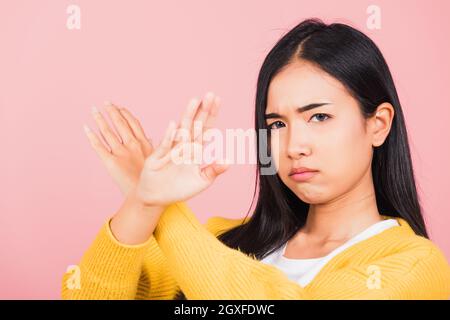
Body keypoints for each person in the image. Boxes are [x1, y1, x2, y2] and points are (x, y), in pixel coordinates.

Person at [62, 18, 450, 300]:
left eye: (319, 117)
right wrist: (142, 201)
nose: (294, 145)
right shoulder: (220, 240)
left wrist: (163, 207)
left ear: (378, 125)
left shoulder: (414, 266)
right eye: (277, 123)